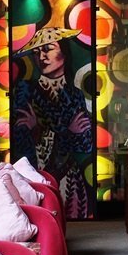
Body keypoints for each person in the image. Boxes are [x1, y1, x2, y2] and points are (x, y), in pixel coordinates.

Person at [12, 27, 93, 218]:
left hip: (69, 178)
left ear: (64, 52)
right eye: (36, 52)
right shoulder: (26, 89)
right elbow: (20, 137)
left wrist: (42, 129)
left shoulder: (75, 94)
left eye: (48, 49)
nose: (41, 56)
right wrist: (68, 131)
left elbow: (85, 144)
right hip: (34, 172)